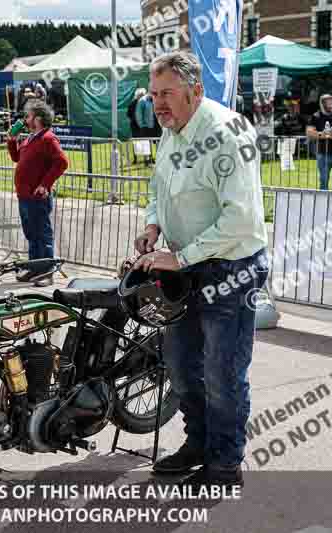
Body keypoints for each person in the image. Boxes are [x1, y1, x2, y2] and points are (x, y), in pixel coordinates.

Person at [133, 51, 268, 488]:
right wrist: (153, 223)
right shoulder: (172, 131)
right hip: (184, 270)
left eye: (167, 93)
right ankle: (198, 443)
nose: (158, 104)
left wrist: (182, 256)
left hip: (231, 270)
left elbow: (241, 219)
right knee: (180, 364)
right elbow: (159, 187)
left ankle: (225, 464)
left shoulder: (229, 132)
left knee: (221, 371)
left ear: (196, 91)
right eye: (154, 95)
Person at [6, 100, 69, 287]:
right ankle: (34, 268)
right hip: (24, 196)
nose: (25, 119)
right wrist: (11, 140)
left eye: (29, 116)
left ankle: (47, 272)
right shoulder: (30, 138)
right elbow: (17, 157)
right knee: (31, 234)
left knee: (42, 235)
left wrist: (45, 184)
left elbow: (62, 162)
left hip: (37, 197)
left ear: (39, 118)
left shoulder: (48, 139)